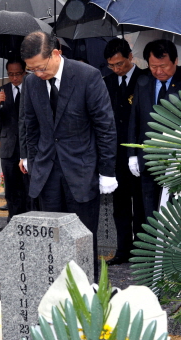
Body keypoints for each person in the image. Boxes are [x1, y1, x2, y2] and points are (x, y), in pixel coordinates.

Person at [21, 31, 118, 281]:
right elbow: (29, 125)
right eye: (32, 70)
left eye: (41, 68)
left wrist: (107, 171)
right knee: (51, 242)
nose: (39, 74)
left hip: (81, 172)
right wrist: (30, 158)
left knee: (82, 242)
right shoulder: (31, 83)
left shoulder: (87, 76)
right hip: (47, 174)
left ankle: (87, 298)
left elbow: (105, 126)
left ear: (56, 53)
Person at [128, 39, 181, 227]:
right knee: (149, 208)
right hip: (148, 157)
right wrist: (132, 155)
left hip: (176, 162)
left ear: (175, 61)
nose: (158, 71)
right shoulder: (143, 82)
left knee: (173, 210)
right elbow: (134, 118)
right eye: (153, 66)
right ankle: (153, 254)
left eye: (163, 66)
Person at [103, 38, 146, 265]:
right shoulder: (106, 82)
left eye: (120, 63)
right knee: (119, 206)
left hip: (139, 153)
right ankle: (123, 250)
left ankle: (141, 251)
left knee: (140, 205)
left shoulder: (144, 80)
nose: (117, 69)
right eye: (112, 65)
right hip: (115, 155)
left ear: (130, 57)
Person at [0, 58, 28, 222]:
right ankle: (12, 220)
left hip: (27, 147)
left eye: (18, 74)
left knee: (27, 188)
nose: (14, 78)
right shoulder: (1, 91)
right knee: (11, 189)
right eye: (11, 74)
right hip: (9, 147)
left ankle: (28, 220)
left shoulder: (31, 88)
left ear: (24, 72)